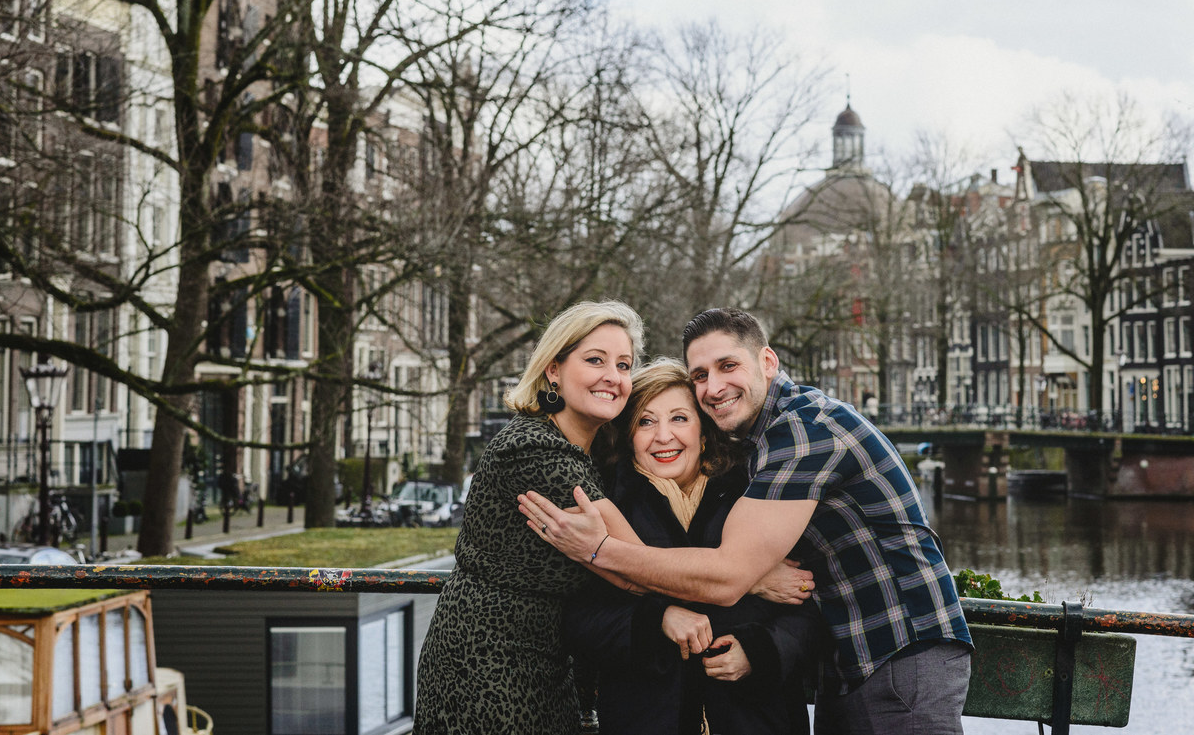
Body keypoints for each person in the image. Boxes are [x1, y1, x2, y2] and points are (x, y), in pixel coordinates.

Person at [520, 308, 973, 735]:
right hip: (850, 660)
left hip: (898, 650)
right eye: (700, 375)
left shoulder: (800, 433)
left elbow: (730, 577)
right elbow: (589, 613)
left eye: (727, 366)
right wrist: (670, 613)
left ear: (768, 361)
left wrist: (599, 550)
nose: (714, 387)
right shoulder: (749, 457)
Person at [413, 300, 648, 735]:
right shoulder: (534, 451)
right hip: (489, 668)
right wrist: (747, 578)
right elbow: (637, 568)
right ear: (553, 369)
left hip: (544, 663)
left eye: (623, 365)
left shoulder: (587, 450)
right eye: (595, 360)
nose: (613, 377)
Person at [564, 358, 826, 735]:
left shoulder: (757, 497)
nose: (664, 436)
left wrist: (760, 652)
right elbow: (579, 616)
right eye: (646, 421)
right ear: (628, 435)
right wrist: (659, 620)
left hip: (756, 718)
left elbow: (808, 599)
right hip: (647, 716)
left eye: (679, 419)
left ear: (704, 432)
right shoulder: (606, 506)